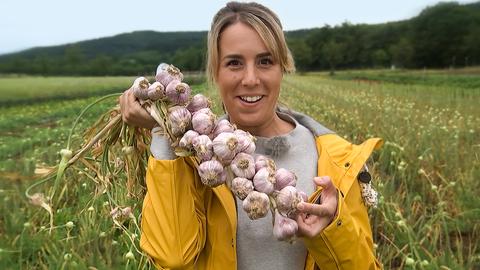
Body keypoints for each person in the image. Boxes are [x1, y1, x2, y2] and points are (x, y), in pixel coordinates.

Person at [120, 2, 383, 269]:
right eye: (234, 63)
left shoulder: (338, 160)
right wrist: (164, 131)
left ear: (283, 68)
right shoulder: (194, 156)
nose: (250, 79)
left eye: (265, 61)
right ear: (216, 73)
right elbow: (172, 258)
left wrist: (333, 230)